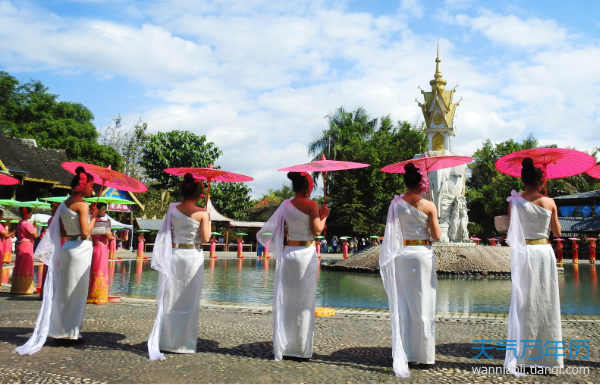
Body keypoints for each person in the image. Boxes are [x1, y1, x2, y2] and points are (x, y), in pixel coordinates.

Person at [15, 166, 98, 354]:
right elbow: (86, 231)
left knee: (64, 291)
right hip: (80, 247)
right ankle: (70, 333)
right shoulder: (83, 205)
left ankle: (60, 331)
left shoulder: (64, 204)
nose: (93, 190)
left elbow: (60, 230)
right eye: (91, 186)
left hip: (67, 246)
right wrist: (94, 217)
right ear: (82, 186)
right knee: (77, 292)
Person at [257, 171, 329, 361]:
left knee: (288, 300)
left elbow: (279, 229)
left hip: (289, 252)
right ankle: (301, 348)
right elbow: (317, 231)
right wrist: (324, 215)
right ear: (307, 186)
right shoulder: (312, 205)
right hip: (306, 253)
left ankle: (286, 345)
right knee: (305, 301)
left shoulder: (285, 205)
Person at [379, 162, 441, 377]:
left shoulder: (396, 204)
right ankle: (423, 354)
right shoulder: (429, 205)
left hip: (403, 254)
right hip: (423, 253)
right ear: (422, 182)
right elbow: (437, 236)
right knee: (424, 302)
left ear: (405, 181)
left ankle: (404, 351)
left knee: (403, 302)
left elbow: (392, 234)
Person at [504, 158, 563, 374]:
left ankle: (523, 356)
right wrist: (548, 205)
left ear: (523, 179)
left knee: (524, 302)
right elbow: (557, 233)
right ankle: (548, 358)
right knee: (546, 302)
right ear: (541, 181)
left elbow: (511, 230)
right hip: (544, 252)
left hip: (524, 253)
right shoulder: (550, 202)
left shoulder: (514, 201)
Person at [148, 173, 211, 360]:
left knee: (171, 296)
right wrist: (206, 219)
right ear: (199, 194)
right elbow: (206, 238)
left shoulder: (173, 211)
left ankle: (167, 341)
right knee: (188, 299)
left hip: (174, 255)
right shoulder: (202, 213)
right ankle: (184, 343)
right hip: (192, 256)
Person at [87, 203, 114, 305]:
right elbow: (109, 235)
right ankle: (99, 296)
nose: (104, 211)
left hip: (93, 246)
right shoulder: (103, 223)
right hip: (102, 247)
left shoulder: (90, 222)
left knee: (93, 270)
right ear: (97, 210)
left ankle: (91, 295)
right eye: (103, 209)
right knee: (100, 270)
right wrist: (109, 229)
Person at [11, 207, 38, 294]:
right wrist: (34, 227)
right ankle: (25, 288)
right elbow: (35, 235)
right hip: (27, 244)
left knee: (19, 265)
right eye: (31, 213)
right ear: (28, 214)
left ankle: (17, 287)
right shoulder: (27, 223)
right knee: (27, 265)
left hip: (20, 244)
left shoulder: (19, 223)